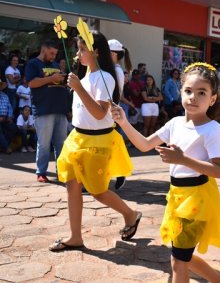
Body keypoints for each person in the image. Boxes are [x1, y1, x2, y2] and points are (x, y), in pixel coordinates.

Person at [111, 62, 220, 283]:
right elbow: (145, 144)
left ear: (213, 99)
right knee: (181, 253)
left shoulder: (213, 129)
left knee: (178, 261)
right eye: (188, 91)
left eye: (201, 93)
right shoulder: (175, 123)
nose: (193, 97)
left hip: (198, 200)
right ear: (180, 92)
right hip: (177, 197)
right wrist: (124, 121)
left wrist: (182, 159)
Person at [48, 30, 141, 252]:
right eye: (78, 49)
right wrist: (78, 87)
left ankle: (130, 214)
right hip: (77, 139)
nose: (78, 54)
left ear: (96, 52)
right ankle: (75, 237)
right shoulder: (86, 76)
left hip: (97, 142)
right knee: (72, 186)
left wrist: (78, 89)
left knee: (98, 191)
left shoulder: (105, 77)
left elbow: (100, 113)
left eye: (82, 49)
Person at [25, 39, 69, 183]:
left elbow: (56, 84)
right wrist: (52, 78)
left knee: (61, 143)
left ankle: (61, 171)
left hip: (60, 110)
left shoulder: (55, 65)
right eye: (51, 53)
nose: (53, 57)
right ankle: (41, 172)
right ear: (43, 50)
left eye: (55, 54)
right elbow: (31, 83)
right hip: (43, 110)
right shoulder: (33, 64)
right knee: (44, 144)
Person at [108, 38, 134, 190]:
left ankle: (120, 172)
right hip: (108, 113)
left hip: (111, 113)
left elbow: (114, 94)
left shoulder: (116, 71)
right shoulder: (113, 69)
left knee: (113, 145)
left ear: (112, 54)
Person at [0, 84, 18, 154]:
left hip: (5, 118)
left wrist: (10, 116)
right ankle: (6, 147)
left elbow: (9, 107)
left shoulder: (5, 95)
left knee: (14, 128)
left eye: (0, 85)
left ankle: (3, 146)